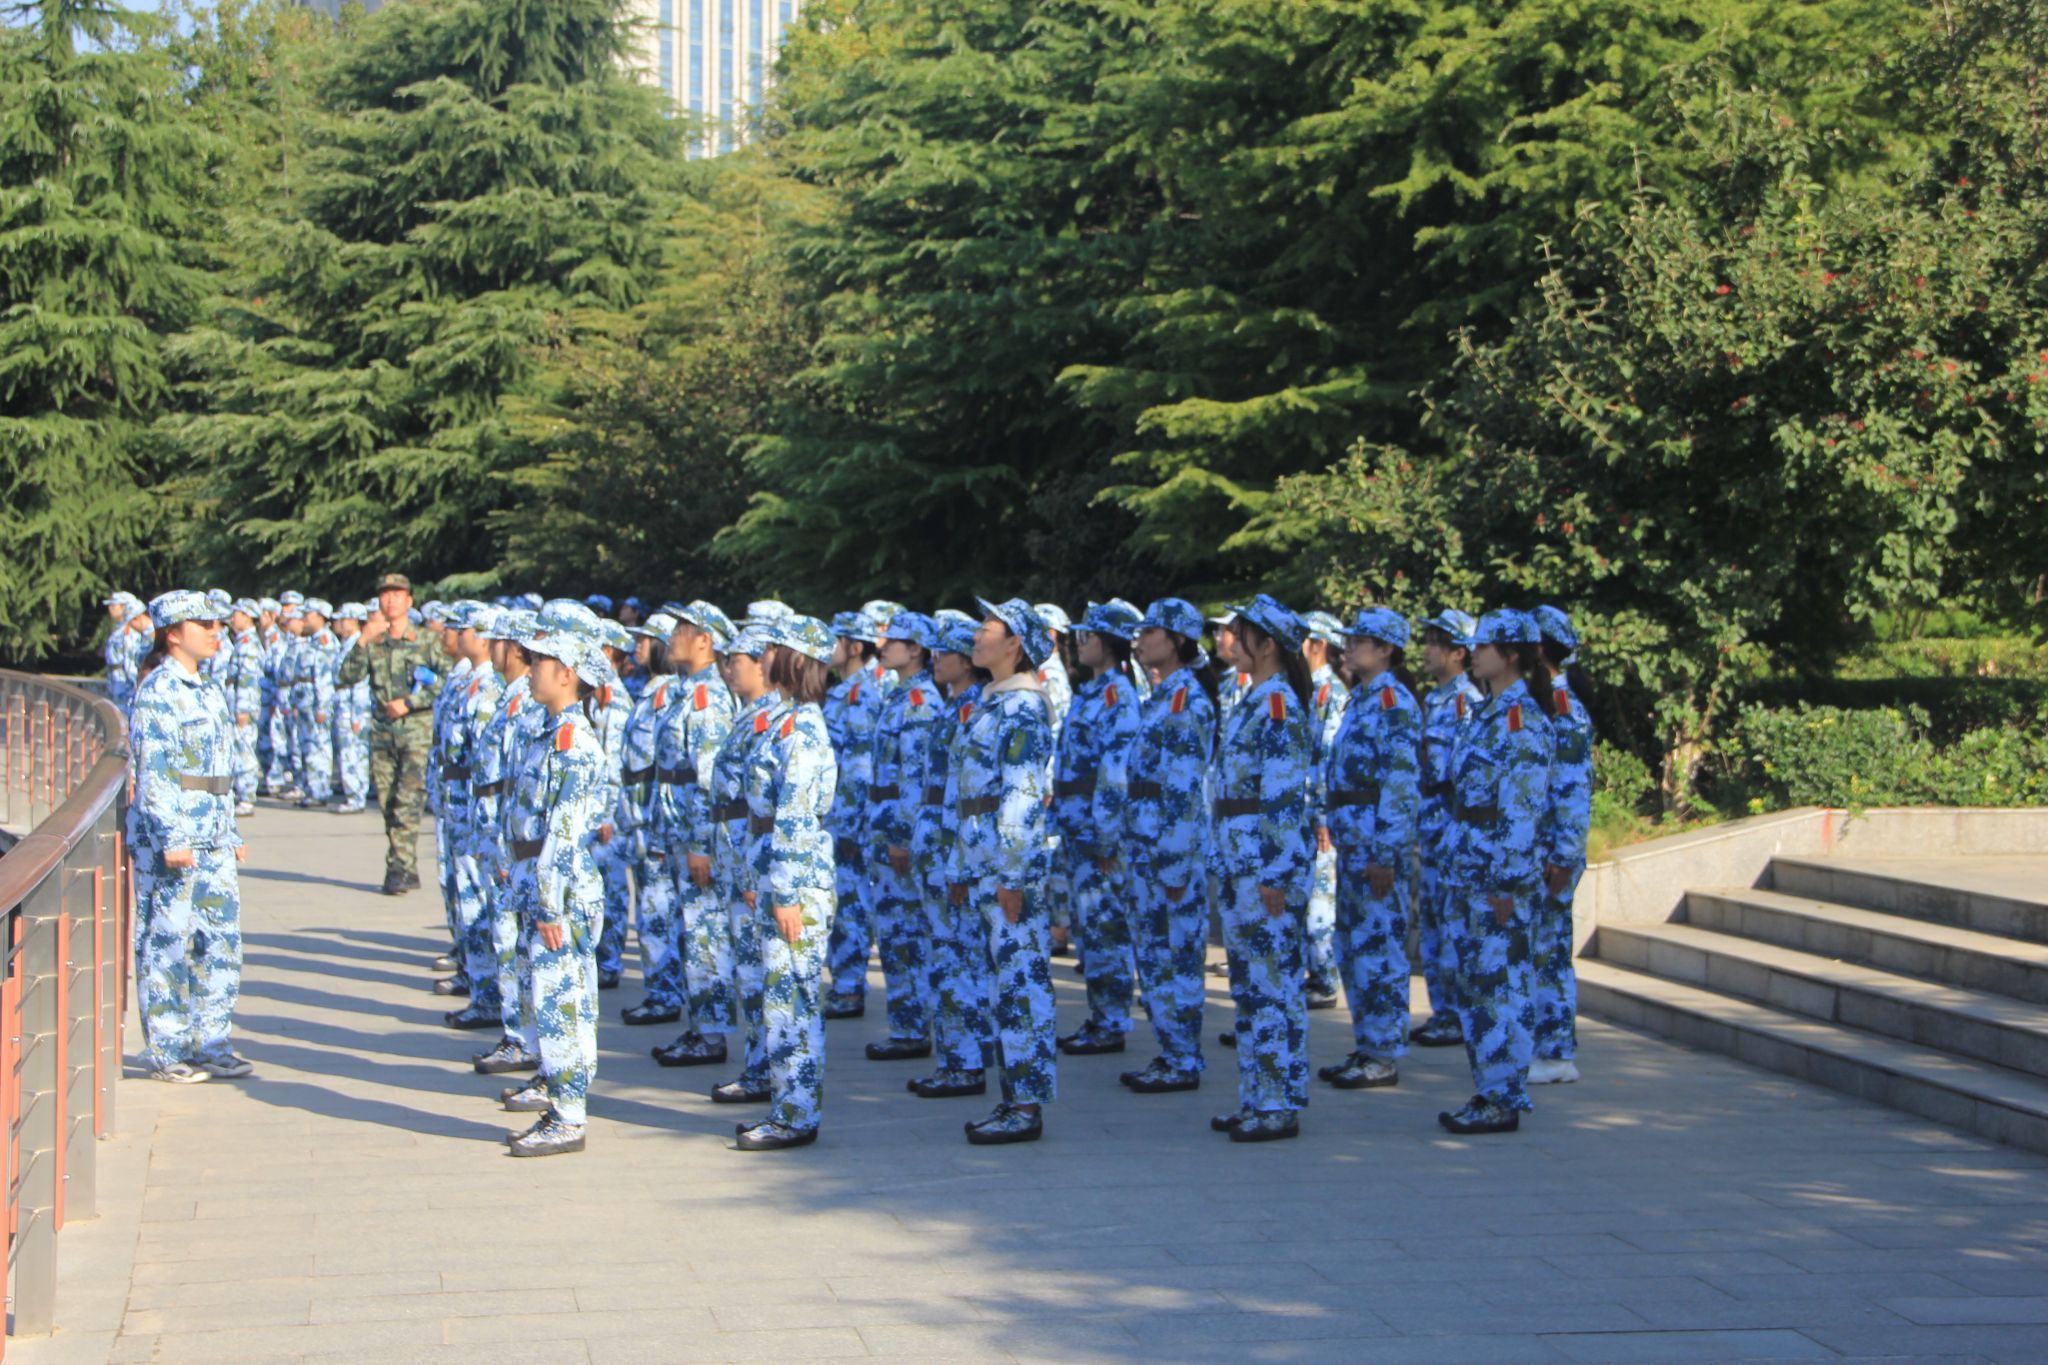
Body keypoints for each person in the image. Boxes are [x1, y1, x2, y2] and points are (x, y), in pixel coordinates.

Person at [499, 618, 616, 1157]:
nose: (530, 669)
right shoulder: (550, 730)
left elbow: (563, 835)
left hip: (562, 892)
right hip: (544, 884)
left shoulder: (573, 742)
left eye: (541, 662)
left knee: (559, 1002)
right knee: (555, 996)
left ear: (567, 674)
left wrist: (549, 905)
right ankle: (563, 1097)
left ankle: (568, 1115)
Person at [127, 590, 252, 1084]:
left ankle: (212, 1041)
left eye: (217, 625)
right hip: (173, 840)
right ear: (174, 634)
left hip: (213, 836)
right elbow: (155, 773)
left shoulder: (208, 689)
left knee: (220, 942)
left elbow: (218, 771)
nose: (215, 632)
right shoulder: (159, 691)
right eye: (204, 625)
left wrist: (231, 830)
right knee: (167, 941)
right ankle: (168, 1049)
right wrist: (171, 836)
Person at [1438, 609, 1554, 1135]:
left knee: (1501, 986)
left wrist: (1506, 883)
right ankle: (1488, 1090)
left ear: (1510, 655)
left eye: (1484, 647)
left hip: (1496, 878)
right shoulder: (1484, 712)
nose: (1474, 654)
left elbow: (1520, 814)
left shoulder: (1521, 719)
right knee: (1476, 986)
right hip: (1468, 869)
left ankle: (1503, 1097)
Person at [947, 599, 1058, 1145]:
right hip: (984, 860)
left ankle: (1026, 1105)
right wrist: (960, 865)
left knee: (1021, 984)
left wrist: (1013, 877)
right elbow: (969, 794)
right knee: (1001, 983)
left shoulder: (1022, 708)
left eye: (987, 628)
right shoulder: (994, 703)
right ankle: (1013, 1096)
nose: (976, 635)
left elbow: (1022, 797)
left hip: (1007, 867)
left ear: (1015, 644)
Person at [1206, 595, 1314, 1142]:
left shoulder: (1277, 704)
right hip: (1240, 862)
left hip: (1261, 867)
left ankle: (1275, 1103)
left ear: (1267, 645)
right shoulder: (1255, 698)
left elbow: (1283, 798)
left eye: (1242, 632)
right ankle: (1259, 1096)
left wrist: (1277, 873)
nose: (1232, 640)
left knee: (1270, 984)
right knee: (1251, 986)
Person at [733, 617, 841, 1149]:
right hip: (779, 878)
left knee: (792, 999)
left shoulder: (802, 730)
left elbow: (794, 817)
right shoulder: (786, 720)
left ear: (796, 659)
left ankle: (796, 1116)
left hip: (795, 884)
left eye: (774, 648)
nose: (764, 655)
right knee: (780, 997)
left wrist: (787, 893)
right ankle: (787, 1107)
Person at [1316, 607, 1421, 1092]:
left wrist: (1386, 851)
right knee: (1355, 949)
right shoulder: (1361, 698)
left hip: (1375, 848)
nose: (1349, 647)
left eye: (1359, 641)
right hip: (1354, 845)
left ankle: (1383, 1052)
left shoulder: (1394, 702)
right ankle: (1367, 1044)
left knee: (1380, 949)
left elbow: (1399, 784)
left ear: (1385, 650)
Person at [1116, 599, 1217, 1096]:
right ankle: (1171, 1052)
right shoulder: (1161, 696)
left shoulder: (1186, 700)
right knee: (1154, 956)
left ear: (1177, 640)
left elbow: (1182, 791)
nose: (1140, 640)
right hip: (1146, 849)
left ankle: (1183, 1057)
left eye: (1150, 632)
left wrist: (1174, 865)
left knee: (1176, 955)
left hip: (1167, 854)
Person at [637, 602, 739, 1066]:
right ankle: (699, 1026)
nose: (672, 637)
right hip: (675, 828)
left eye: (682, 629)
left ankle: (711, 1034)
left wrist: (701, 845)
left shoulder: (707, 696)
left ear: (705, 640)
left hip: (695, 834)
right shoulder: (685, 690)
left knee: (704, 933)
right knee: (688, 930)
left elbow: (708, 779)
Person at [906, 615, 994, 1098]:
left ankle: (966, 1062)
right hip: (937, 848)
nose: (935, 660)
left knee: (958, 957)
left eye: (945, 653)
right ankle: (958, 1057)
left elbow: (968, 793)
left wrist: (958, 859)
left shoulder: (973, 709)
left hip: (952, 853)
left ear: (967, 661)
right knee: (947, 955)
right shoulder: (954, 707)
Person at [1054, 599, 1145, 1058]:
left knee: (1105, 928)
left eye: (1086, 637)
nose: (1079, 644)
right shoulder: (1089, 693)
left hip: (1097, 836)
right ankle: (1100, 1016)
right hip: (1078, 831)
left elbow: (1115, 774)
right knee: (1090, 930)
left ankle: (1111, 1021)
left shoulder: (1117, 696)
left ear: (1108, 643)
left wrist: (1107, 837)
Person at [865, 610, 943, 1062]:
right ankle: (905, 1023)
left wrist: (901, 837)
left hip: (900, 834)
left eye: (894, 641)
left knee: (906, 933)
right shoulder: (900, 695)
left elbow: (915, 778)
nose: (884, 647)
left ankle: (912, 1028)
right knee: (894, 932)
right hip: (884, 827)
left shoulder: (919, 701)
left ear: (916, 650)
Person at [336, 574, 445, 895]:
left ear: (409, 601)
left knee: (407, 802)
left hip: (416, 733)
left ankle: (397, 868)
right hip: (383, 734)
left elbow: (448, 681)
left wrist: (410, 702)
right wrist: (362, 640)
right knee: (387, 803)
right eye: (386, 594)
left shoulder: (427, 641)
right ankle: (407, 866)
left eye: (398, 594)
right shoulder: (375, 641)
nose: (391, 600)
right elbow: (346, 676)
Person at [1411, 609, 1483, 1048]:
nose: (1427, 650)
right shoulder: (1435, 699)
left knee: (1454, 927)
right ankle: (1442, 1012)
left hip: (1451, 829)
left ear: (1459, 653)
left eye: (1436, 642)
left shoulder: (1465, 702)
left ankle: (1457, 1014)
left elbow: (1463, 777)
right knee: (1434, 925)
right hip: (1431, 830)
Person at [1531, 605, 1592, 1086]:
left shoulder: (1563, 709)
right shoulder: (1541, 702)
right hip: (1539, 853)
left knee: (1550, 954)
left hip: (1553, 856)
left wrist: (1563, 857)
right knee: (1538, 953)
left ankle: (1555, 1053)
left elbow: (1572, 791)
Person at [822, 608, 888, 1019]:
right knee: (841, 900)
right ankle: (844, 982)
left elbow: (860, 769)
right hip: (836, 815)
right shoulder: (843, 690)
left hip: (848, 819)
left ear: (854, 647)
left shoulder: (861, 694)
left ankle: (849, 987)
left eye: (837, 640)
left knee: (849, 902)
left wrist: (847, 824)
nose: (829, 647)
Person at [1299, 612, 1351, 1013]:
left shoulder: (1330, 692)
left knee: (1320, 905)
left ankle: (1326, 978)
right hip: (1304, 813)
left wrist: (1322, 816)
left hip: (1319, 818)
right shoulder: (1310, 688)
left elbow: (1327, 758)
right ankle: (1316, 974)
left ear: (1318, 645)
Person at [589, 620, 637, 991]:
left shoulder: (615, 702)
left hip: (610, 812)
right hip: (596, 808)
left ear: (608, 653)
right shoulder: (595, 696)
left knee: (612, 889)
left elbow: (613, 765)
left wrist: (605, 815)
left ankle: (609, 960)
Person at [222, 600, 266, 817]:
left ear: (247, 616)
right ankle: (241, 794)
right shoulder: (242, 641)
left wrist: (243, 709)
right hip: (235, 704)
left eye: (237, 614)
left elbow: (248, 680)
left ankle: (247, 796)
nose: (233, 619)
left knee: (244, 750)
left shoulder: (248, 644)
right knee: (237, 749)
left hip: (242, 706)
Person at [331, 603, 373, 814]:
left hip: (352, 708)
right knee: (348, 752)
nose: (339, 623)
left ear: (355, 621)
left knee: (353, 753)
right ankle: (353, 794)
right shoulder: (347, 644)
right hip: (343, 705)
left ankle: (356, 797)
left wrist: (357, 715)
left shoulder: (358, 645)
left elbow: (359, 683)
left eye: (344, 619)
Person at [102, 591, 150, 713]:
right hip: (116, 680)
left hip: (124, 683)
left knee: (123, 715)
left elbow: (131, 659)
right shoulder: (120, 628)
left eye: (114, 605)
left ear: (124, 607)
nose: (110, 609)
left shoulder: (129, 630)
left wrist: (133, 684)